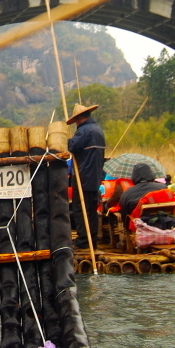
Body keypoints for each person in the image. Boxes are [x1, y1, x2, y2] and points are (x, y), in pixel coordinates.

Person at [66, 102, 105, 249]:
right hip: (95, 176)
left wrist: (68, 139)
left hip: (83, 175)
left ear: (80, 118)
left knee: (80, 208)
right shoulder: (98, 130)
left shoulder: (84, 131)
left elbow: (71, 146)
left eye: (75, 120)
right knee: (91, 209)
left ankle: (83, 240)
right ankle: (92, 239)